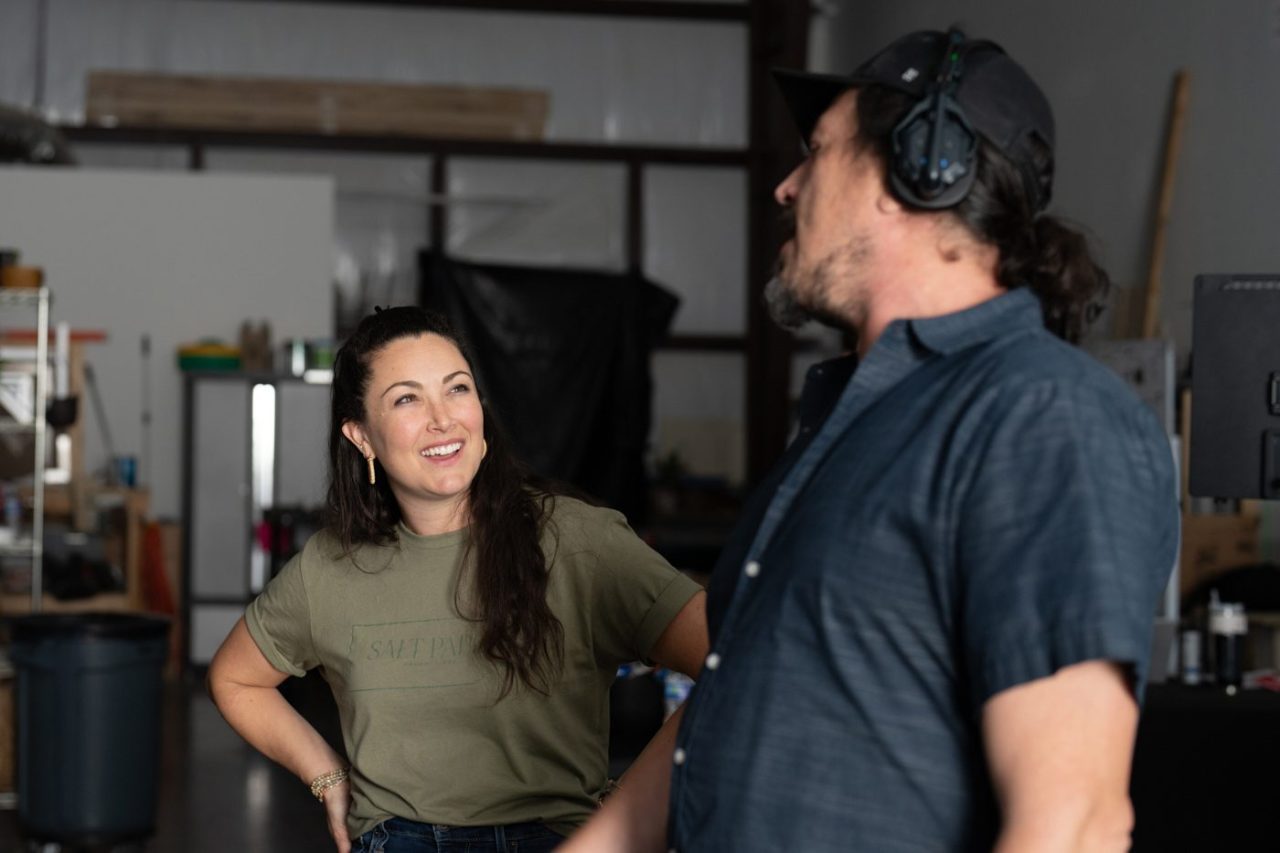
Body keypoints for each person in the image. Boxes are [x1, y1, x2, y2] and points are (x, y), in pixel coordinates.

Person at [564, 29, 1179, 853]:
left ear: (920, 170)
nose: (785, 188)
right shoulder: (849, 423)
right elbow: (724, 708)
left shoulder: (1039, 417)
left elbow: (1073, 826)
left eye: (814, 152)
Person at [207, 306, 707, 853]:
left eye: (458, 389)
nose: (443, 418)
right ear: (362, 437)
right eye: (407, 398)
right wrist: (325, 775)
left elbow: (733, 663)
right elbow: (236, 680)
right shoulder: (328, 568)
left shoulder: (581, 542)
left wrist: (629, 818)